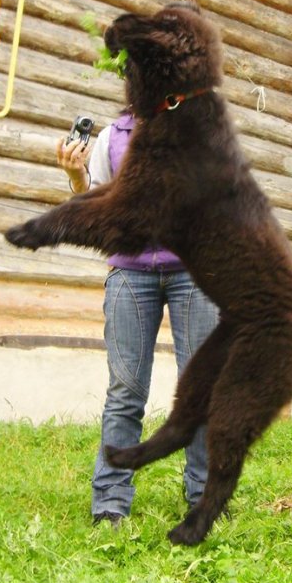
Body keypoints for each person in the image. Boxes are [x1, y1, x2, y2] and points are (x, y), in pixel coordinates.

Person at [56, 111, 218, 526]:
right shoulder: (113, 135)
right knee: (125, 392)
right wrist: (77, 178)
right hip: (129, 273)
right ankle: (110, 501)